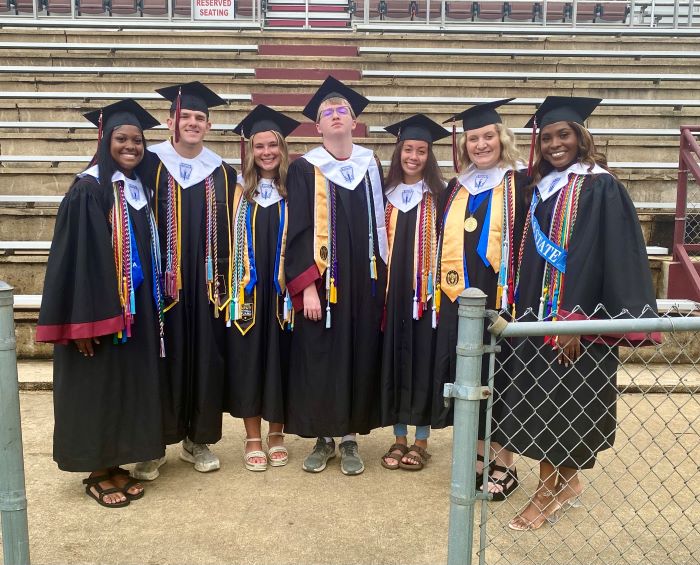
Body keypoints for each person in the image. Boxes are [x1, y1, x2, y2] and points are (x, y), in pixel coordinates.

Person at [502, 96, 658, 530]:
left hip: (576, 320)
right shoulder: (542, 188)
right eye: (547, 137)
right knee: (547, 399)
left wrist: (575, 319)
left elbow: (600, 256)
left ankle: (544, 494)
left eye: (564, 135)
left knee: (564, 403)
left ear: (581, 137)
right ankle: (568, 483)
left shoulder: (600, 186)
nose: (555, 144)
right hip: (538, 315)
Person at [36, 100, 164, 507]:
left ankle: (116, 463)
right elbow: (76, 261)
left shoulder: (137, 189)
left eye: (137, 141)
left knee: (124, 386)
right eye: (122, 138)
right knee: (97, 387)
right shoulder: (88, 190)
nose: (131, 146)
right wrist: (83, 323)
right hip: (97, 314)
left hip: (134, 312)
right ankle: (96, 471)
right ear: (104, 140)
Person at [284, 76, 388, 476]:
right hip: (324, 283)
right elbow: (297, 231)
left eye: (342, 110)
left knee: (357, 353)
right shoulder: (304, 169)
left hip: (364, 282)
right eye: (328, 113)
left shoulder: (370, 165)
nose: (336, 116)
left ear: (354, 120)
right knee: (321, 356)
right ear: (318, 126)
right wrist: (307, 286)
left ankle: (349, 438)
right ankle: (323, 438)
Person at [133, 81, 236, 480]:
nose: (193, 123)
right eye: (186, 116)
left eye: (200, 117)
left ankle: (198, 440)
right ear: (170, 121)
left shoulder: (222, 172)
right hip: (162, 285)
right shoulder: (148, 164)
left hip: (208, 284)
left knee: (205, 356)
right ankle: (153, 444)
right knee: (160, 357)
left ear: (208, 125)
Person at [432, 99, 528, 499]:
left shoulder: (520, 183)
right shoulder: (457, 187)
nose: (481, 144)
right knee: (467, 372)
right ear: (464, 144)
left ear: (502, 138)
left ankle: (504, 462)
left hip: (502, 293)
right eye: (473, 139)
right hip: (458, 296)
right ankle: (475, 457)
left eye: (488, 136)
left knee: (500, 373)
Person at [226, 105, 300, 471]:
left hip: (282, 294)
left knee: (282, 359)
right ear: (250, 150)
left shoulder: (295, 190)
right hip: (249, 293)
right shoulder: (239, 191)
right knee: (249, 359)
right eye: (259, 146)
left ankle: (277, 434)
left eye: (273, 145)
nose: (267, 152)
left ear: (283, 149)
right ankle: (252, 436)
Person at [379, 114, 449, 471]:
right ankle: (398, 437)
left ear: (429, 155)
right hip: (392, 295)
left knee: (422, 361)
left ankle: (421, 440)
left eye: (421, 151)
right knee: (394, 360)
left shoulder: (441, 195)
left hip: (426, 298)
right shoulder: (383, 194)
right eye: (408, 149)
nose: (414, 157)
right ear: (399, 151)